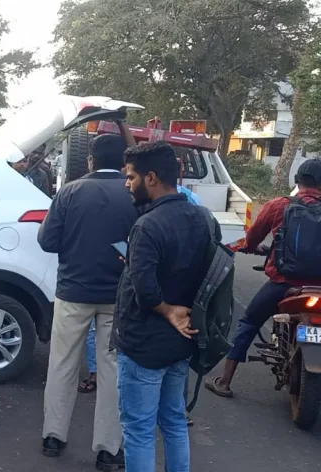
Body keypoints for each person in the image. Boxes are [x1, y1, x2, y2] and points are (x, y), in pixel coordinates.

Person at [114, 140, 217, 472]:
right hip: (182, 342)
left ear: (152, 178)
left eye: (131, 177)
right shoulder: (201, 217)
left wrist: (167, 309)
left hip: (145, 344)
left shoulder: (147, 226)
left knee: (139, 429)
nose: (127, 185)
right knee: (173, 420)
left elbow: (145, 291)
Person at [37, 131, 135, 470]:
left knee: (62, 364)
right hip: (117, 296)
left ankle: (53, 436)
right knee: (112, 372)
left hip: (73, 292)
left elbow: (47, 242)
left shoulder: (70, 192)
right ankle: (108, 450)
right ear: (124, 162)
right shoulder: (133, 194)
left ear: (90, 160)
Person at [206, 159, 321, 398]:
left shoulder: (279, 205)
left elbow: (252, 238)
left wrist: (250, 247)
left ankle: (224, 382)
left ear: (297, 181)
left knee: (248, 323)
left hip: (284, 284)